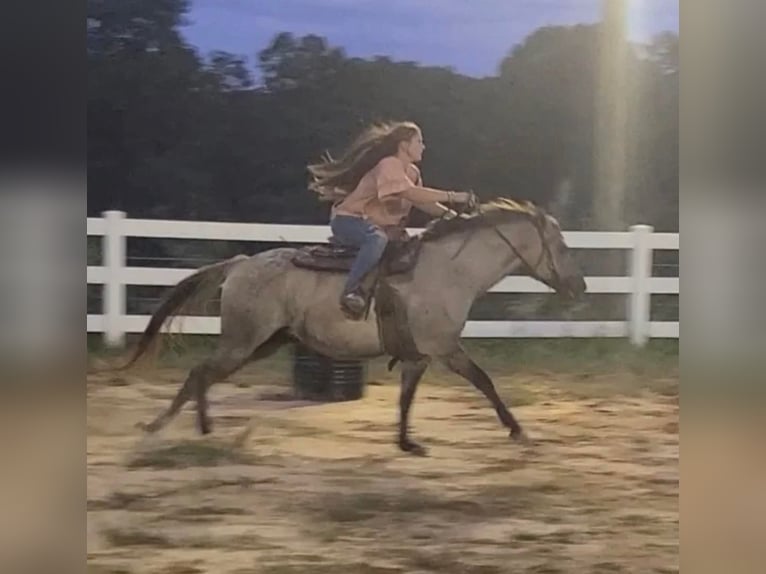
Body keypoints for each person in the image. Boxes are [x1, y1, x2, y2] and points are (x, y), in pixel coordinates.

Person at [308, 121, 476, 317]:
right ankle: (352, 291)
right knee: (376, 239)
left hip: (378, 226)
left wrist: (453, 217)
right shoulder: (389, 164)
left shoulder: (412, 172)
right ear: (404, 145)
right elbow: (411, 193)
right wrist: (453, 196)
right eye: (419, 141)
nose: (423, 146)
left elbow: (421, 202)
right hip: (349, 221)